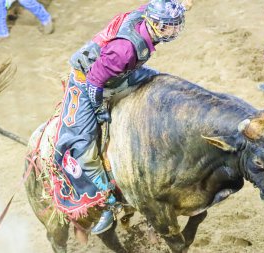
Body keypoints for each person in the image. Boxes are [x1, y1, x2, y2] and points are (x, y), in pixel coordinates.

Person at [53, 0, 186, 235]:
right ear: (154, 24)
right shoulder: (125, 49)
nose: (174, 30)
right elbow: (94, 81)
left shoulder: (146, 14)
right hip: (88, 81)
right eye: (169, 26)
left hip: (121, 73)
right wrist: (98, 108)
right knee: (81, 148)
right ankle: (103, 202)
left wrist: (181, 6)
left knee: (160, 81)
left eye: (175, 25)